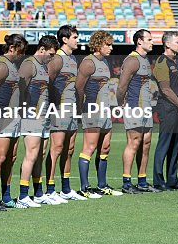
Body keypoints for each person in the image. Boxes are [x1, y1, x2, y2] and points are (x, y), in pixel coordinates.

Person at [0, 33, 27, 211]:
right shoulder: (1, 66)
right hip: (2, 117)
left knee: (11, 158)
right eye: (21, 51)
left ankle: (6, 196)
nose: (22, 55)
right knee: (0, 157)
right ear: (12, 48)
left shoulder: (12, 65)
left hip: (13, 118)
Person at [14, 36, 58, 208]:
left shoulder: (42, 66)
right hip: (31, 116)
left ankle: (38, 193)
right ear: (41, 49)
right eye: (50, 54)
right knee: (31, 154)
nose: (52, 57)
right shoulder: (29, 64)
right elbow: (19, 89)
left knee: (41, 154)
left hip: (43, 116)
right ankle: (23, 196)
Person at [74, 31, 115, 199]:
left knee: (105, 147)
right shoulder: (88, 63)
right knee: (89, 148)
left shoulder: (104, 62)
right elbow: (78, 87)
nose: (111, 48)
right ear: (98, 45)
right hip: (92, 110)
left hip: (105, 110)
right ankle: (85, 187)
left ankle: (102, 185)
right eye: (108, 44)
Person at [44, 25, 81, 204]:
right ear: (65, 39)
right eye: (74, 37)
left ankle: (65, 188)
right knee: (56, 148)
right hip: (59, 109)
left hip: (71, 109)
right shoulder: (57, 59)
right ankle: (50, 189)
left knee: (69, 150)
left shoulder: (73, 58)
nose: (77, 40)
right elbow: (48, 82)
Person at [117, 29, 157, 194]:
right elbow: (121, 86)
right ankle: (126, 182)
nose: (152, 42)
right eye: (148, 39)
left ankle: (142, 181)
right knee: (133, 143)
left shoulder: (145, 60)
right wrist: (120, 104)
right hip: (134, 106)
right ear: (139, 41)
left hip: (146, 107)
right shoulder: (132, 60)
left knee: (146, 144)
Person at [152, 31, 178, 191]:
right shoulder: (162, 62)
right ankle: (159, 181)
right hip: (167, 108)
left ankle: (172, 181)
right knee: (164, 144)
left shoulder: (177, 63)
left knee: (175, 146)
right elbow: (165, 90)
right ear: (167, 44)